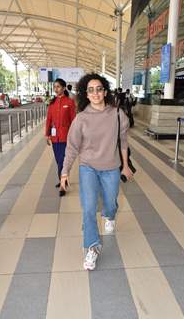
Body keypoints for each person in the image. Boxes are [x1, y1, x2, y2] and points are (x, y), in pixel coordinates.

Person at [60, 73, 133, 270]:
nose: (95, 93)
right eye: (90, 90)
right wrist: (65, 171)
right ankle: (92, 247)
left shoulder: (118, 115)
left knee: (110, 203)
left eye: (98, 89)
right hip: (88, 168)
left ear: (105, 91)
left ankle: (110, 215)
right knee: (89, 208)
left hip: (111, 168)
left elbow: (124, 142)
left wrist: (125, 166)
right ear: (86, 93)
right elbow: (72, 147)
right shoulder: (81, 119)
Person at [45, 78, 76, 196]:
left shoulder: (69, 102)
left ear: (63, 88)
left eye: (58, 86)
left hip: (65, 137)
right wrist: (47, 134)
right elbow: (49, 119)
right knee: (58, 160)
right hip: (54, 138)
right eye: (54, 87)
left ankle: (62, 185)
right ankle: (62, 179)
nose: (56, 89)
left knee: (63, 161)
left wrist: (74, 136)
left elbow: (74, 120)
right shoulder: (52, 103)